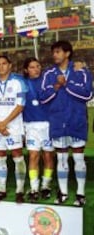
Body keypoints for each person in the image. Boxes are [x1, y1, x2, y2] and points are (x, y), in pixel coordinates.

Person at [40, 40, 93, 206]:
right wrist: (56, 86)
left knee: (78, 157)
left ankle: (80, 193)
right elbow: (42, 98)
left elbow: (87, 95)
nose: (54, 55)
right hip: (57, 121)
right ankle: (63, 193)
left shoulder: (81, 70)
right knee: (61, 158)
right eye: (53, 52)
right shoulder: (49, 74)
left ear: (67, 53)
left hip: (76, 121)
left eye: (58, 52)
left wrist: (67, 84)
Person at [0, 55, 27, 203]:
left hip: (13, 126)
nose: (1, 66)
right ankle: (2, 189)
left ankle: (20, 190)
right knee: (0, 156)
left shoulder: (18, 82)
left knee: (17, 156)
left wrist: (4, 123)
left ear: (10, 65)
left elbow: (20, 105)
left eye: (4, 63)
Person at [22, 57, 54, 203]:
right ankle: (34, 188)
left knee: (47, 156)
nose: (36, 69)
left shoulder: (47, 80)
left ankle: (46, 186)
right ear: (26, 70)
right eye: (32, 67)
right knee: (33, 156)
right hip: (31, 125)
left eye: (38, 66)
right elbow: (1, 74)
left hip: (48, 124)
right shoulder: (22, 83)